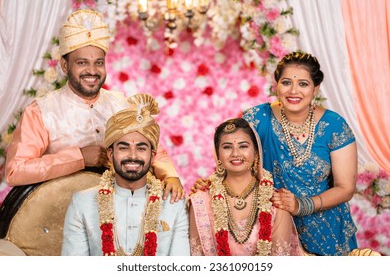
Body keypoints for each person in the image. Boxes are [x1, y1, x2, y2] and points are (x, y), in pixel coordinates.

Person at [5, 9, 183, 202]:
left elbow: (152, 148)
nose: (92, 71)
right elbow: (16, 171)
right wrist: (79, 157)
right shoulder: (42, 111)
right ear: (65, 65)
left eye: (98, 63)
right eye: (82, 63)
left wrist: (170, 175)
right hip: (60, 215)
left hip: (123, 209)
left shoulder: (122, 103)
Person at [242, 51, 358, 255]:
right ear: (276, 84)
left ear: (316, 89)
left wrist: (300, 205)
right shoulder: (257, 119)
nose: (293, 91)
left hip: (327, 233)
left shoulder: (334, 125)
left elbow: (345, 188)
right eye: (286, 82)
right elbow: (232, 155)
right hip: (274, 228)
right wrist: (215, 180)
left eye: (303, 84)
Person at [61, 93, 190, 256]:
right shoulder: (82, 203)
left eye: (141, 148)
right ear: (110, 154)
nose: (133, 156)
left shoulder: (173, 204)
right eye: (123, 148)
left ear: (153, 156)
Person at [189, 118, 304, 256]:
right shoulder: (200, 201)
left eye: (243, 146)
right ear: (217, 154)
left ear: (256, 153)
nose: (235, 153)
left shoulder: (276, 201)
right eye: (227, 147)